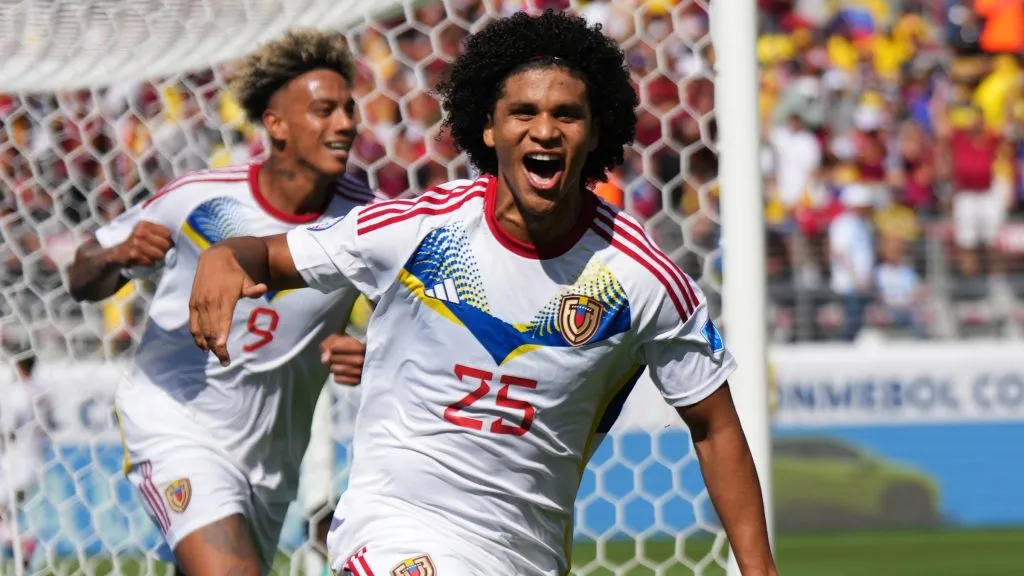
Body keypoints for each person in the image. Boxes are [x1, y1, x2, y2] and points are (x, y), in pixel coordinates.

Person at [187, 11, 777, 576]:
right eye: (523, 111)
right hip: (393, 528)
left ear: (596, 131)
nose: (544, 130)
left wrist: (759, 568)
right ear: (489, 127)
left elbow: (713, 426)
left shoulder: (640, 277)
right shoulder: (419, 229)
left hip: (525, 555)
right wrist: (225, 256)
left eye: (567, 114)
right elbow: (269, 255)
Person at [67, 29, 373, 576]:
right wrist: (115, 255)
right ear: (276, 124)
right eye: (325, 110)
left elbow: (417, 326)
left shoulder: (366, 223)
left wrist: (375, 354)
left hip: (271, 458)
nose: (346, 123)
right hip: (175, 420)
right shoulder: (199, 197)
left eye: (349, 109)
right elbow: (80, 276)